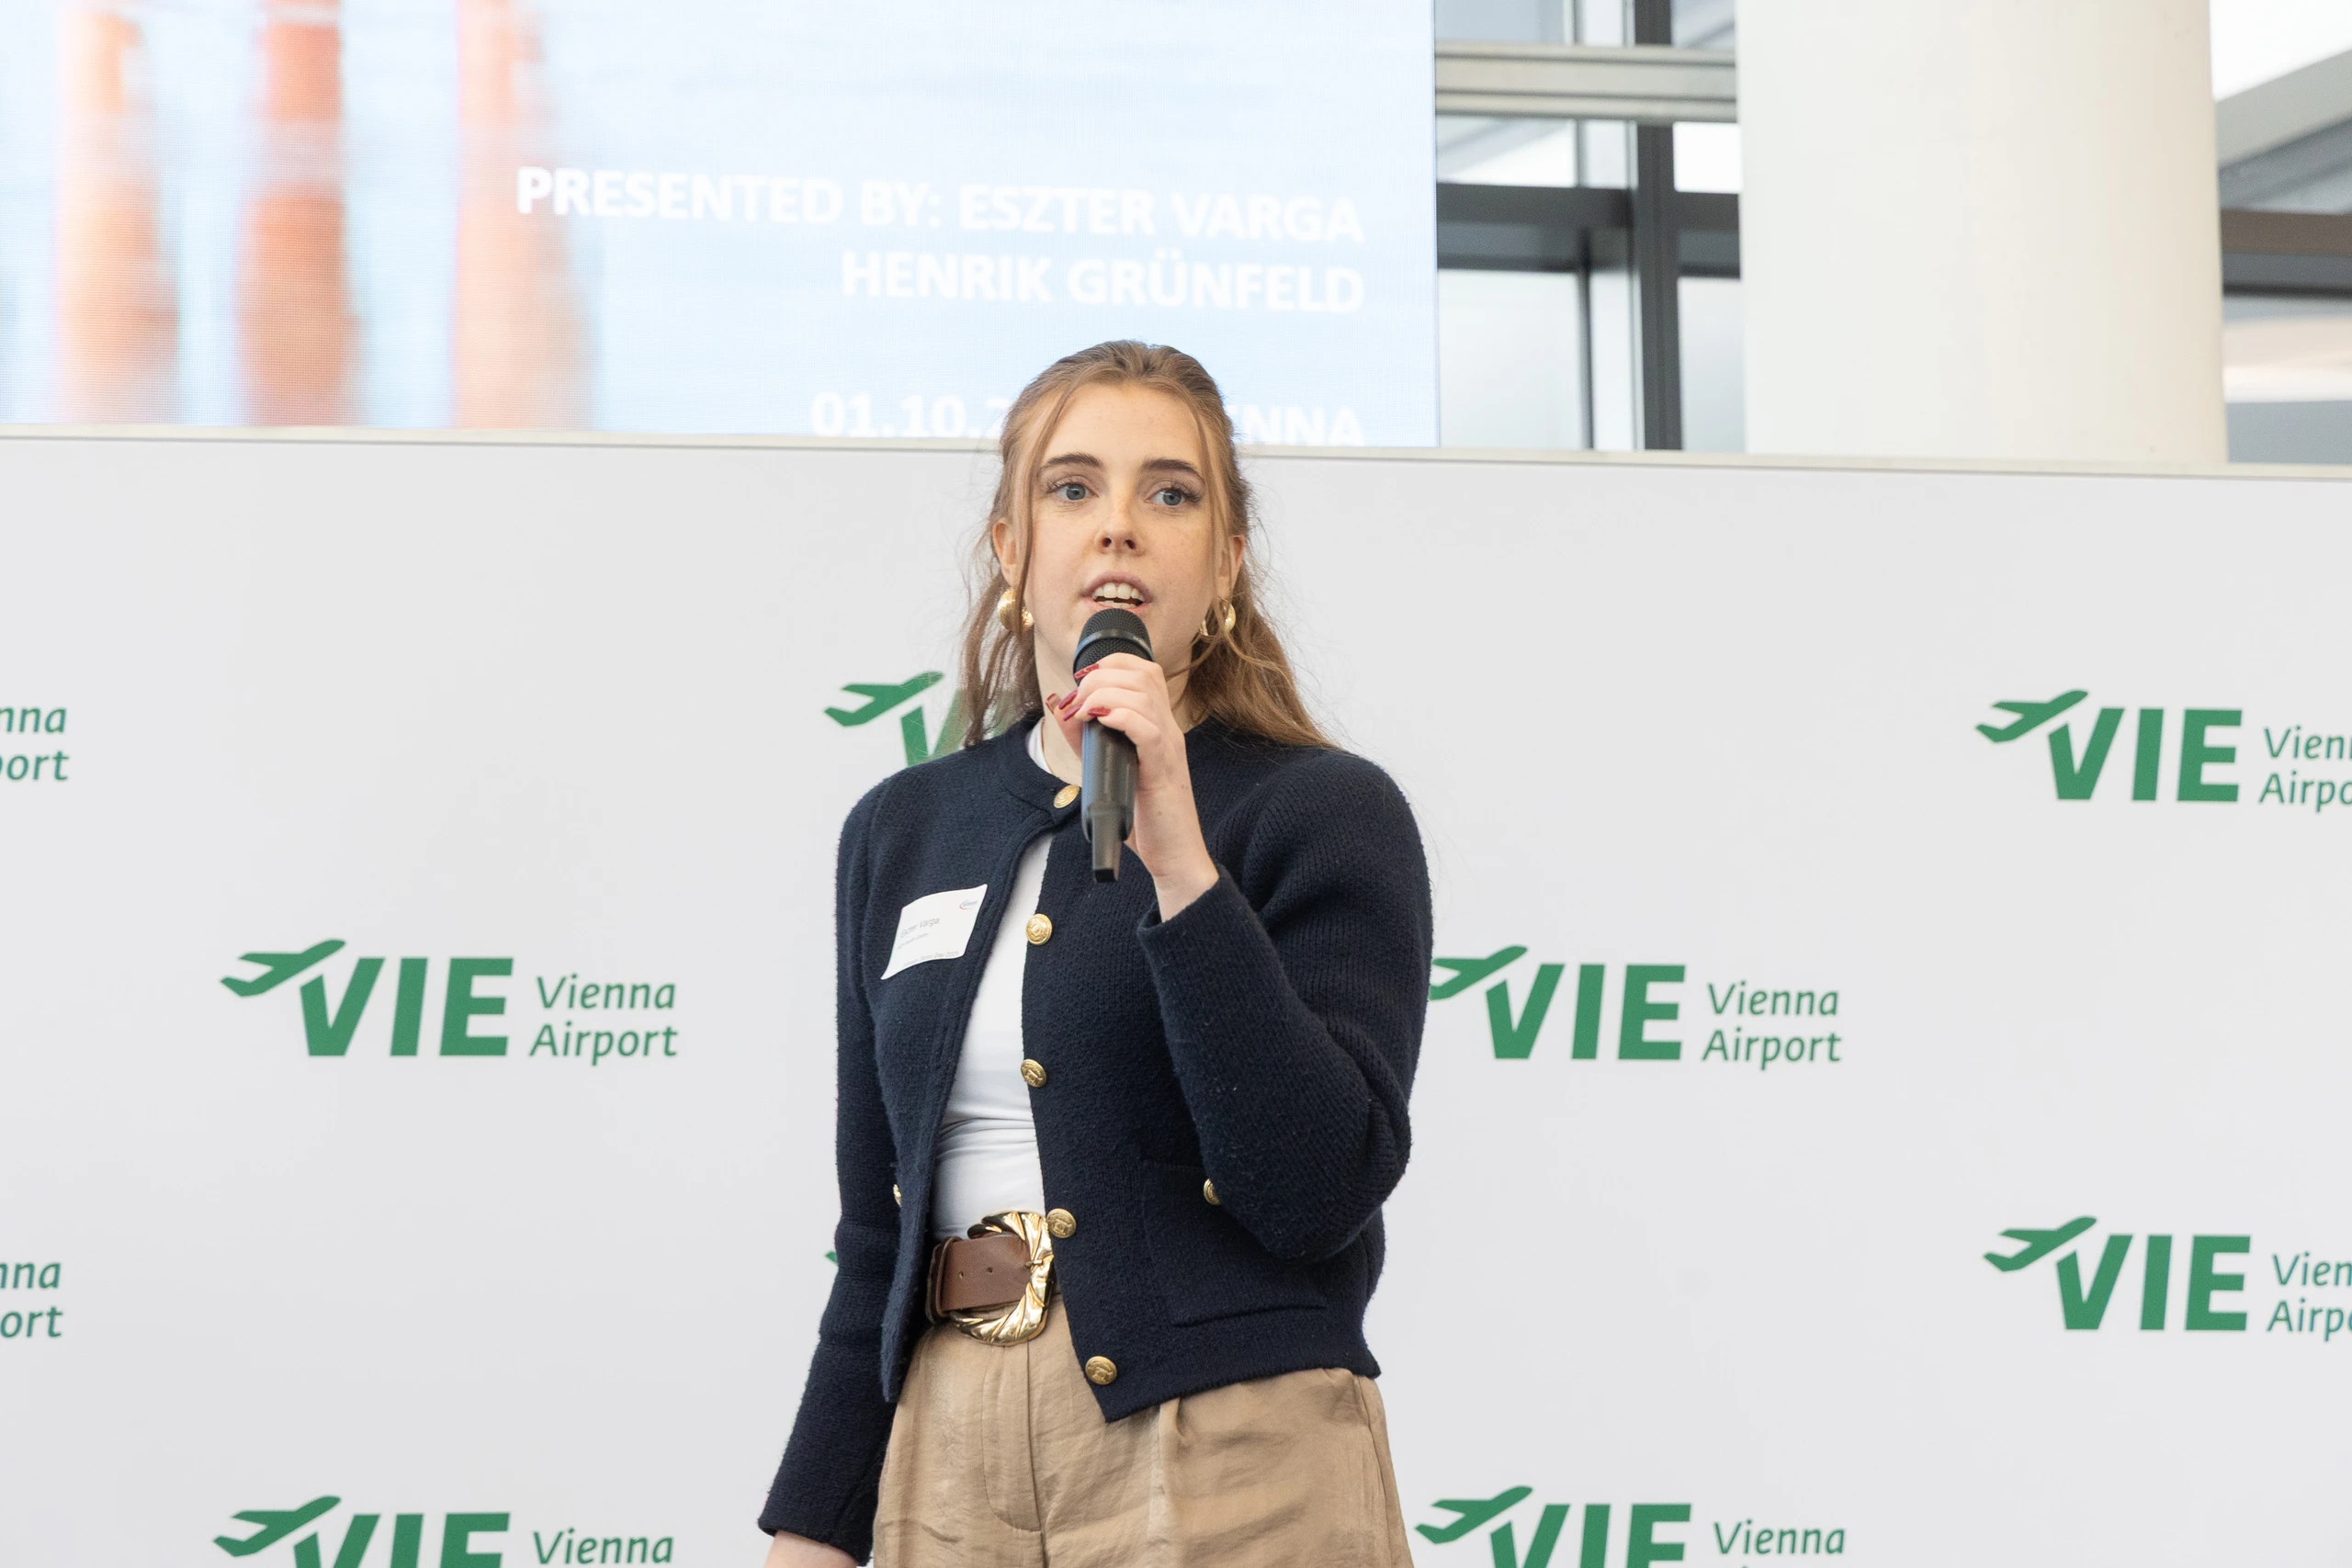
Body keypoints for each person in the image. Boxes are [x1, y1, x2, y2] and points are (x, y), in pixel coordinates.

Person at [757, 340, 1431, 1567]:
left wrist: (1182, 863)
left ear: (1225, 563)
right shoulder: (903, 830)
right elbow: (876, 1235)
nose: (1118, 524)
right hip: (946, 1454)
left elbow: (1318, 1188)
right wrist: (812, 1525)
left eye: (1170, 492)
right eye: (1072, 487)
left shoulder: (1322, 811)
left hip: (1231, 1450)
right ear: (1013, 549)